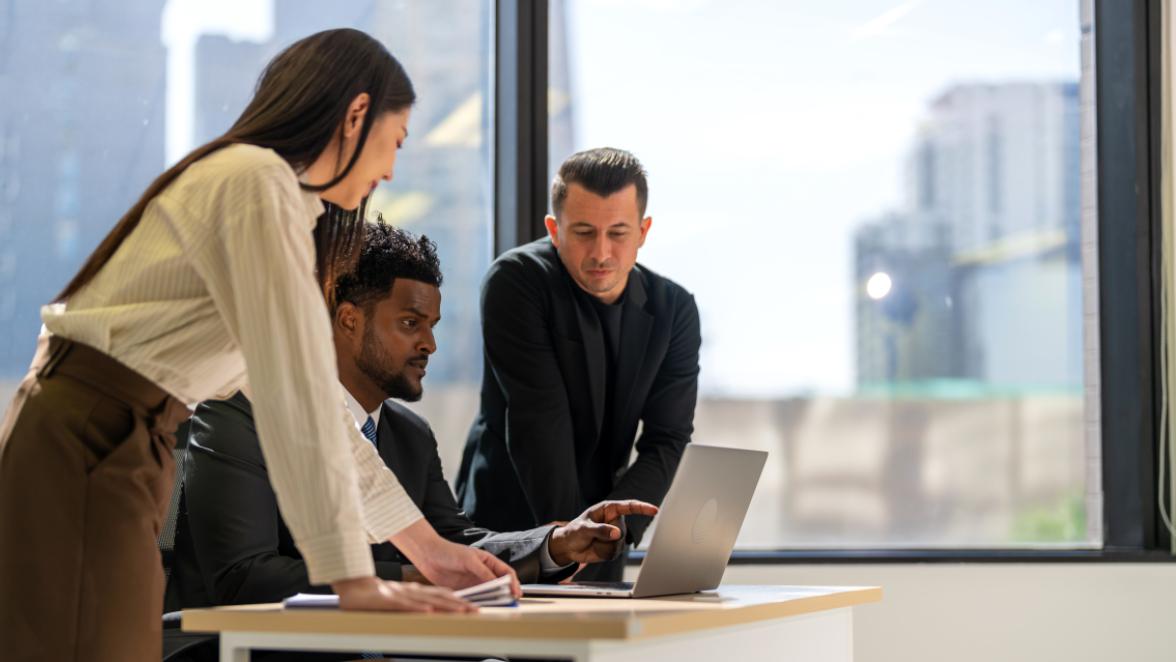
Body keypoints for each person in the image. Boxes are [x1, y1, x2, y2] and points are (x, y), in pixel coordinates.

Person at [0, 29, 514, 662]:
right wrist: (353, 581)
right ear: (356, 115)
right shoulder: (255, 183)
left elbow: (320, 418)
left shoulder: (273, 196)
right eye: (396, 141)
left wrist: (432, 555)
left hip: (114, 437)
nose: (390, 170)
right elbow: (292, 394)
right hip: (89, 435)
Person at [165, 222, 655, 613]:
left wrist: (554, 543)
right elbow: (246, 577)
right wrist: (418, 578)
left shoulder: (408, 435)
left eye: (432, 326)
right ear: (349, 320)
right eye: (409, 324)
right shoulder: (238, 415)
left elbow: (455, 542)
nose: (429, 344)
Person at [456, 147, 702, 581]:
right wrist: (566, 539)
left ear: (643, 231)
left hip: (605, 534)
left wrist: (609, 530)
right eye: (584, 232)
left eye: (618, 233)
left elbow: (668, 436)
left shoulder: (674, 310)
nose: (601, 252)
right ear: (555, 229)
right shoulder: (516, 281)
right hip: (512, 531)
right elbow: (539, 418)